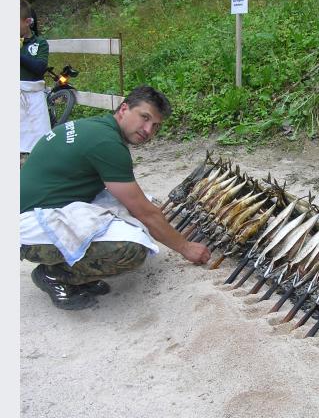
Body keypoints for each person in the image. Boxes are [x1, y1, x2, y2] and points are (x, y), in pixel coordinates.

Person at [20, 86, 211, 310]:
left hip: (46, 205)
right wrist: (186, 247)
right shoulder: (106, 143)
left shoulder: (96, 127)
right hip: (29, 226)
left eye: (155, 126)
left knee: (141, 208)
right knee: (130, 249)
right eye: (144, 117)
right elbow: (144, 212)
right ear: (123, 109)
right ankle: (55, 275)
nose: (148, 130)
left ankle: (76, 270)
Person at [20, 0, 50, 167]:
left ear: (27, 22)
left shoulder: (40, 43)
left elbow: (39, 68)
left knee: (41, 139)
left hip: (34, 98)